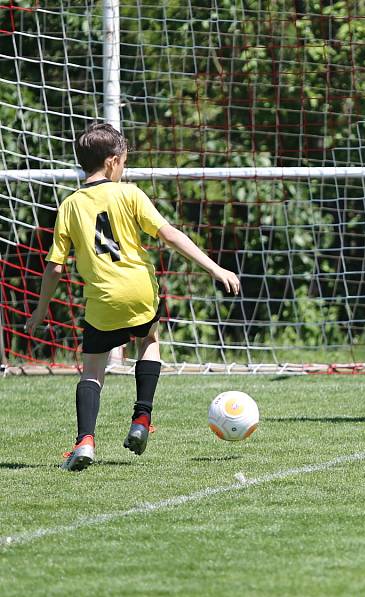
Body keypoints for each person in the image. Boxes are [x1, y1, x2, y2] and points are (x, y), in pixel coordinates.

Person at [25, 123, 240, 471]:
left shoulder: (70, 205)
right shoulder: (130, 194)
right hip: (140, 291)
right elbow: (169, 235)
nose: (124, 168)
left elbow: (55, 269)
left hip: (102, 300)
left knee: (92, 372)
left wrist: (40, 310)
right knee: (149, 338)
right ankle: (141, 419)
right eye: (124, 162)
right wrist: (215, 268)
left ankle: (84, 443)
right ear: (112, 163)